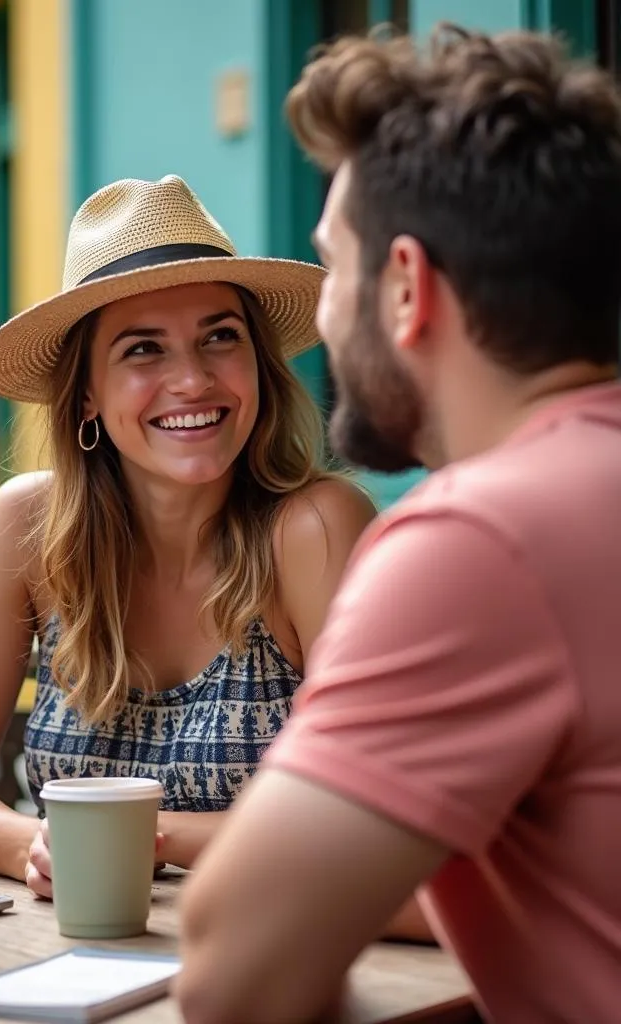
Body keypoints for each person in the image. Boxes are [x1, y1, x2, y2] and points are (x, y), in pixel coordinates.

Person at [177, 24, 621, 1024]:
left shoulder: (481, 540)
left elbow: (233, 977)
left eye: (332, 268)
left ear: (407, 287)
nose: (326, 318)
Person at [0, 174, 376, 896]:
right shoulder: (29, 526)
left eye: (221, 337)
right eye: (143, 351)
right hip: (74, 957)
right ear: (86, 392)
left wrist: (132, 838)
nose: (192, 380)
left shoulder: (314, 528)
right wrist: (39, 846)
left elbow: (374, 813)